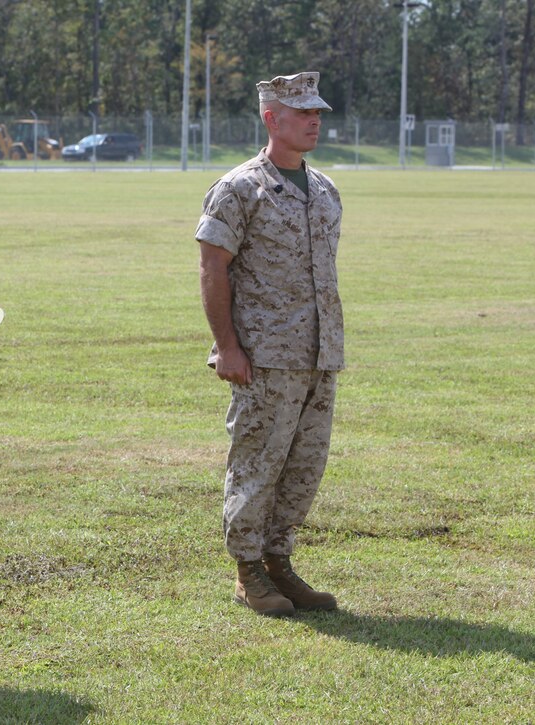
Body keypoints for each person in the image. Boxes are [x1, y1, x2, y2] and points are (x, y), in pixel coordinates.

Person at [196, 71, 344, 618]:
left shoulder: (325, 190)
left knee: (304, 464)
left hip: (319, 353)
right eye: (302, 111)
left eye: (318, 113)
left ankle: (279, 561)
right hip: (264, 356)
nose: (313, 120)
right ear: (270, 117)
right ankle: (248, 570)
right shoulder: (239, 188)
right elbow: (213, 267)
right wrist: (227, 347)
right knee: (257, 462)